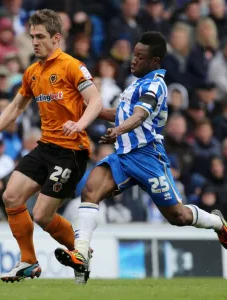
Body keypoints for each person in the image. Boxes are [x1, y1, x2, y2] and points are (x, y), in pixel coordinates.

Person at [54, 31, 227, 284]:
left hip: (148, 158)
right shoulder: (135, 83)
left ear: (155, 61)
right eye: (133, 54)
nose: (133, 60)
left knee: (177, 216)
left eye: (139, 56)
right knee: (90, 190)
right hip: (124, 156)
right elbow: (122, 114)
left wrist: (118, 131)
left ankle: (217, 223)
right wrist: (86, 111)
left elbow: (138, 116)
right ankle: (81, 255)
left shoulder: (155, 84)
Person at [0, 9, 102, 283]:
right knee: (11, 197)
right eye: (31, 36)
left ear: (56, 38)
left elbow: (95, 101)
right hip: (46, 146)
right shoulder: (32, 72)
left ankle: (81, 253)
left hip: (71, 150)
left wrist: (80, 124)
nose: (34, 42)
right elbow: (16, 106)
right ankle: (28, 261)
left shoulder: (73, 66)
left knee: (42, 215)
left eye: (40, 37)